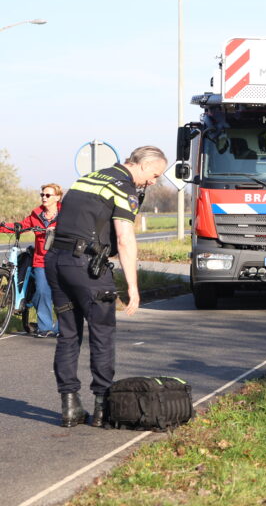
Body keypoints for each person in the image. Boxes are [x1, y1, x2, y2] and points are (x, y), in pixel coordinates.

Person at [47, 146, 167, 427]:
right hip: (87, 268)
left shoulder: (88, 178)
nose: (153, 182)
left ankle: (69, 406)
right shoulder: (122, 187)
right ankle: (103, 408)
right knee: (102, 334)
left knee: (68, 334)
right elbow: (125, 239)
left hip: (56, 263)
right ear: (140, 165)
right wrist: (132, 286)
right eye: (154, 175)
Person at [0, 183, 62, 337]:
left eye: (48, 195)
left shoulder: (66, 214)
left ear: (57, 197)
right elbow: (22, 225)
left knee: (62, 294)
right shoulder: (36, 215)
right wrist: (2, 227)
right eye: (42, 194)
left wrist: (58, 229)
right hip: (41, 260)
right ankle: (45, 327)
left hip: (61, 260)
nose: (44, 197)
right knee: (42, 291)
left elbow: (75, 229)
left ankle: (64, 327)